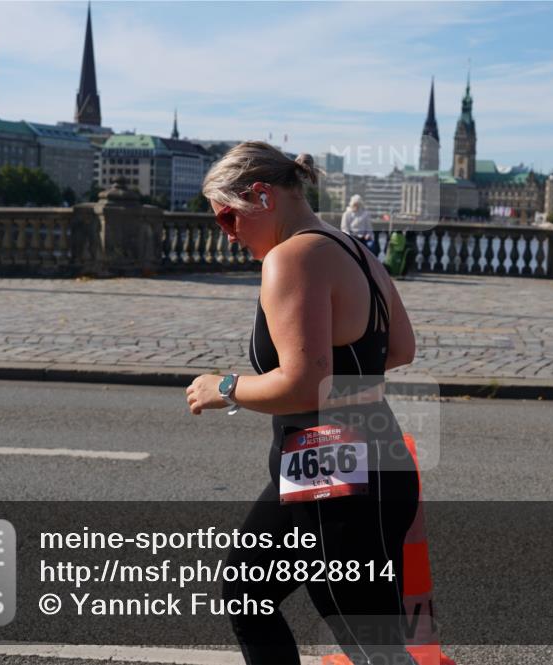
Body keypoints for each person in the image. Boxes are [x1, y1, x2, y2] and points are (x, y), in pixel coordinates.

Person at [186, 141, 419, 665]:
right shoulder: (354, 248)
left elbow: (302, 385)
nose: (228, 234)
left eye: (228, 217)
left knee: (375, 650)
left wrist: (223, 388)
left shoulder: (291, 257)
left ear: (261, 195)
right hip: (368, 458)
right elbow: (401, 349)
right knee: (247, 591)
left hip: (330, 473)